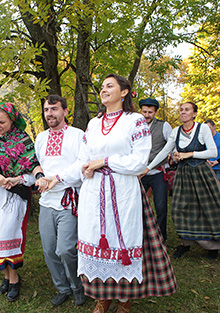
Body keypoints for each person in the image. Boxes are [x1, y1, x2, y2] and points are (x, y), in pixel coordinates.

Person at [44, 74, 177, 313]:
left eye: (109, 86)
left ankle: (124, 301)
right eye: (102, 86)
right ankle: (102, 298)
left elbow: (138, 162)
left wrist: (103, 162)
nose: (103, 90)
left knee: (122, 241)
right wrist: (58, 178)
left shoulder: (135, 121)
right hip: (94, 193)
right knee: (96, 242)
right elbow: (83, 160)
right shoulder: (94, 124)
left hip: (122, 191)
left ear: (124, 92)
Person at [149, 102, 220, 260]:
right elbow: (165, 151)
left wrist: (189, 154)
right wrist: (147, 168)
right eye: (181, 110)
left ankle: (213, 246)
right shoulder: (176, 131)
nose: (183, 112)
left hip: (201, 173)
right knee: (180, 209)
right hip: (184, 175)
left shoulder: (203, 128)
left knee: (207, 208)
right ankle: (185, 243)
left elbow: (212, 151)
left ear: (194, 114)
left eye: (187, 110)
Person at [0, 102, 41, 302]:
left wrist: (19, 179)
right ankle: (6, 276)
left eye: (1, 122)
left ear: (12, 120)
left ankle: (14, 279)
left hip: (12, 196)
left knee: (7, 235)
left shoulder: (21, 139)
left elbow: (33, 167)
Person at [34, 95, 86, 307]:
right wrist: (40, 178)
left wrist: (57, 179)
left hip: (68, 200)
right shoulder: (40, 138)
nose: (50, 114)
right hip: (47, 201)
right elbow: (37, 164)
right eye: (47, 110)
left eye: (54, 109)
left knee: (65, 249)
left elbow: (82, 165)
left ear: (65, 111)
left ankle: (77, 286)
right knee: (48, 250)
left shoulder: (78, 135)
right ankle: (62, 288)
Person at [138, 98, 172, 242]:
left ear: (156, 112)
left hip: (158, 173)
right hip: (139, 174)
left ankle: (161, 237)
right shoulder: (135, 126)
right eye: (144, 111)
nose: (147, 115)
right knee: (137, 207)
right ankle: (141, 237)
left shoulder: (164, 126)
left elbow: (171, 146)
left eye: (150, 112)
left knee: (161, 206)